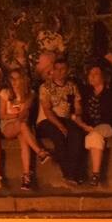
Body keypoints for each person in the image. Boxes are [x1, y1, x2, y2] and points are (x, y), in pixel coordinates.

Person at [36, 57, 85, 185]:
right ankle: (67, 173)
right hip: (47, 120)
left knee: (77, 135)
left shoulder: (72, 86)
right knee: (59, 136)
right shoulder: (45, 87)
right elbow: (47, 110)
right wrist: (60, 126)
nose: (59, 72)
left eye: (62, 69)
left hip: (65, 119)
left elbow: (77, 106)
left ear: (67, 71)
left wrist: (77, 116)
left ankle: (74, 173)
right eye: (56, 69)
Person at [0, 68, 48, 189]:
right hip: (8, 124)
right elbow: (2, 115)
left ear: (22, 79)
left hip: (23, 124)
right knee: (22, 126)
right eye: (12, 78)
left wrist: (20, 115)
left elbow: (25, 112)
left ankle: (26, 178)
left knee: (24, 139)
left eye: (17, 78)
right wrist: (15, 115)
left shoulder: (29, 94)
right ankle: (39, 152)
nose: (14, 81)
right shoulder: (5, 93)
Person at [76, 63, 112, 187]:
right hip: (90, 126)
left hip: (108, 125)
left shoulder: (111, 93)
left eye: (96, 74)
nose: (92, 77)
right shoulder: (86, 94)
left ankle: (96, 173)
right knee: (90, 136)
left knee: (94, 136)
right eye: (90, 74)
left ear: (103, 76)